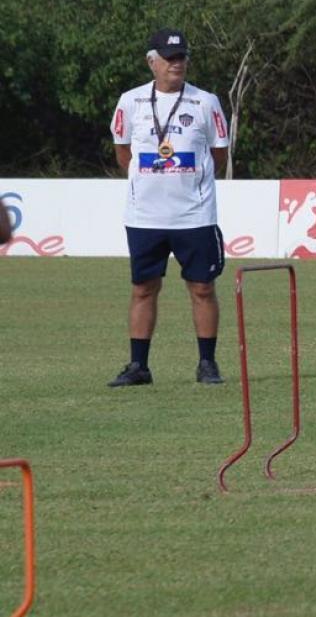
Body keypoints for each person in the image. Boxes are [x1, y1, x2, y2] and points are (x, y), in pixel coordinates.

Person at [107, 28, 230, 387]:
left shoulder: (205, 102)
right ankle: (138, 366)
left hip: (195, 214)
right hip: (145, 215)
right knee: (143, 287)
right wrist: (150, 179)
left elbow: (219, 154)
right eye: (169, 57)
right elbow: (123, 152)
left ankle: (207, 363)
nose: (176, 63)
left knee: (202, 288)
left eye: (181, 57)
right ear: (152, 62)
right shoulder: (130, 101)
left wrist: (190, 180)